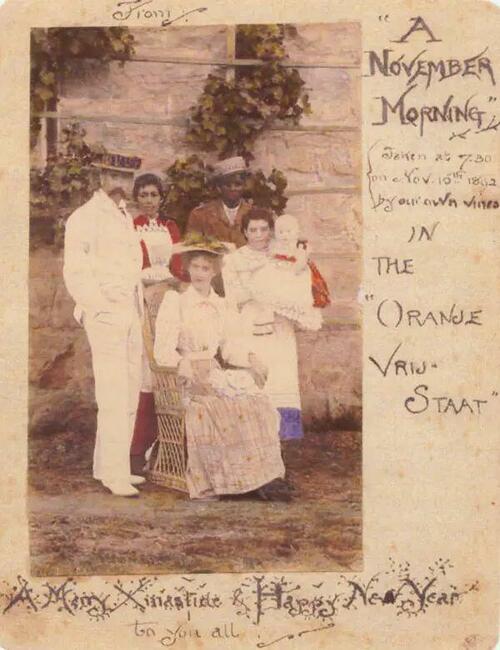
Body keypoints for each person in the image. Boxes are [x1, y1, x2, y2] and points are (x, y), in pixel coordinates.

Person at [153, 238, 288, 500]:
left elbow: (229, 348)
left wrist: (251, 358)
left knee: (256, 402)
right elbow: (162, 350)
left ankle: (261, 477)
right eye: (195, 267)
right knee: (212, 409)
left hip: (212, 374)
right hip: (185, 377)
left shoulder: (222, 305)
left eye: (205, 268)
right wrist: (182, 363)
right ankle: (227, 481)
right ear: (187, 268)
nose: (199, 273)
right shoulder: (176, 301)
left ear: (214, 272)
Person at [63, 180, 145, 497]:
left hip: (130, 310)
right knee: (113, 391)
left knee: (130, 387)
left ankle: (110, 464)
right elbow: (75, 271)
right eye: (112, 172)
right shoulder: (84, 217)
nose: (120, 181)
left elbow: (131, 264)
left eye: (125, 173)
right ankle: (115, 473)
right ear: (100, 177)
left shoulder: (124, 214)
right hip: (105, 313)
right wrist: (98, 308)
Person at [222, 208, 312, 441]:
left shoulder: (282, 253)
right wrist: (257, 290)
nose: (259, 235)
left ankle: (284, 439)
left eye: (263, 229)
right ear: (244, 232)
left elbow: (296, 282)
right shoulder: (234, 260)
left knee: (282, 376)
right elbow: (233, 297)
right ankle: (257, 439)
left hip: (279, 325)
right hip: (250, 323)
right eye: (253, 230)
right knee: (259, 376)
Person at [129, 173, 185, 476]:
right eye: (144, 195)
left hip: (169, 299)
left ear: (161, 198)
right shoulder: (131, 226)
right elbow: (132, 265)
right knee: (146, 372)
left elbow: (178, 266)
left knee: (170, 366)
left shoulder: (170, 227)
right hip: (143, 299)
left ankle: (169, 445)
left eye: (154, 195)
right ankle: (137, 450)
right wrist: (148, 285)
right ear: (136, 198)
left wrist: (172, 285)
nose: (149, 200)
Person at [185, 156, 254, 249]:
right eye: (227, 185)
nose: (233, 188)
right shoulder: (200, 215)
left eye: (238, 184)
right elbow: (191, 248)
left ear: (244, 186)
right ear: (219, 187)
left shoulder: (254, 213)